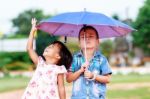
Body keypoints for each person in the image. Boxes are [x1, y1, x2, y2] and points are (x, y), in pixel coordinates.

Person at [22, 18, 72, 99]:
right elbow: (29, 49)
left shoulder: (59, 69)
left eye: (52, 47)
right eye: (49, 46)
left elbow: (61, 88)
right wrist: (32, 31)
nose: (48, 47)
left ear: (58, 56)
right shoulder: (40, 63)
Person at [66, 26, 112, 99]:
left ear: (97, 41)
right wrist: (80, 71)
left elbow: (108, 79)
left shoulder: (102, 59)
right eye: (83, 37)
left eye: (91, 36)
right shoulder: (74, 59)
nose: (87, 39)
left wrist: (93, 76)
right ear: (79, 42)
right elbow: (68, 79)